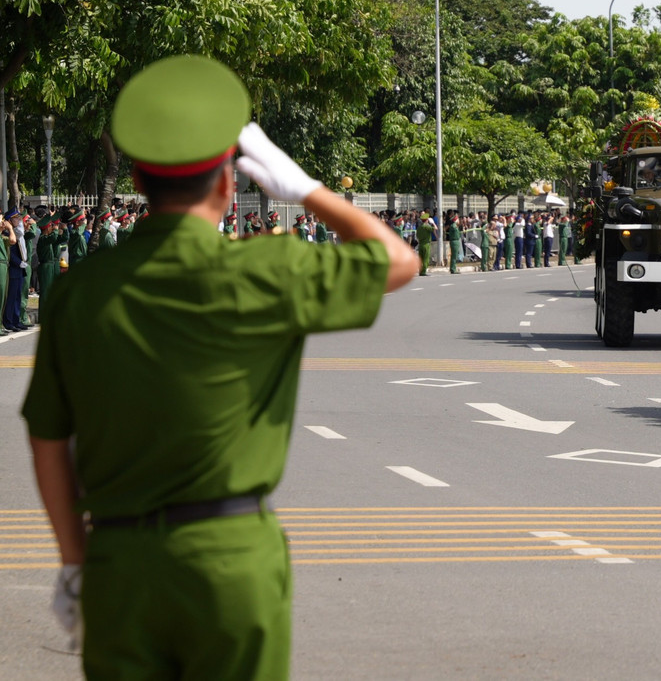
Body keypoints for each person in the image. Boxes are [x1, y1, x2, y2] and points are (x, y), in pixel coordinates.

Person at [20, 54, 417, 680]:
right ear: (230, 185)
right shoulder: (269, 269)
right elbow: (398, 261)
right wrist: (306, 189)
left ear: (140, 182)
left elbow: (48, 437)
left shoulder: (82, 290)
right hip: (231, 559)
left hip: (118, 564)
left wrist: (76, 563)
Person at [3, 210, 26, 332]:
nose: (18, 220)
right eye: (15, 218)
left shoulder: (16, 232)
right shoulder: (7, 233)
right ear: (9, 221)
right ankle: (8, 321)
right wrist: (19, 262)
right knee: (11, 297)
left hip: (18, 270)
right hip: (13, 269)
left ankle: (16, 320)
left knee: (17, 296)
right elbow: (10, 254)